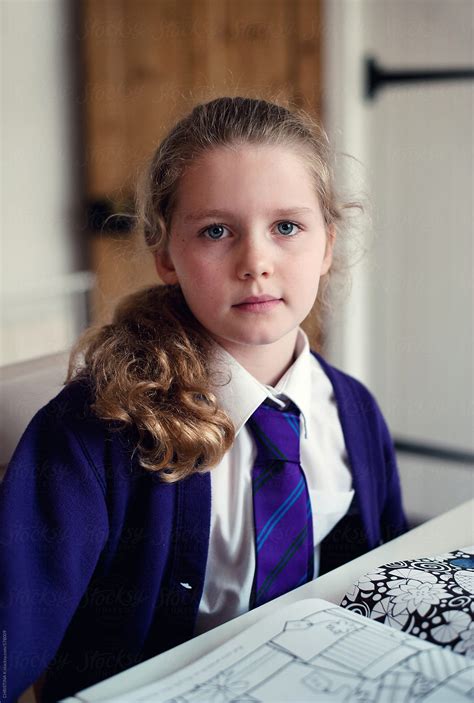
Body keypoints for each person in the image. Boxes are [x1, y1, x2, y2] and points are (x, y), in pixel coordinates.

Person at [0, 96, 407, 703]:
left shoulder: (353, 411)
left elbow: (383, 584)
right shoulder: (93, 431)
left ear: (327, 245)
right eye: (216, 231)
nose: (256, 263)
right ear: (166, 254)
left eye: (287, 227)